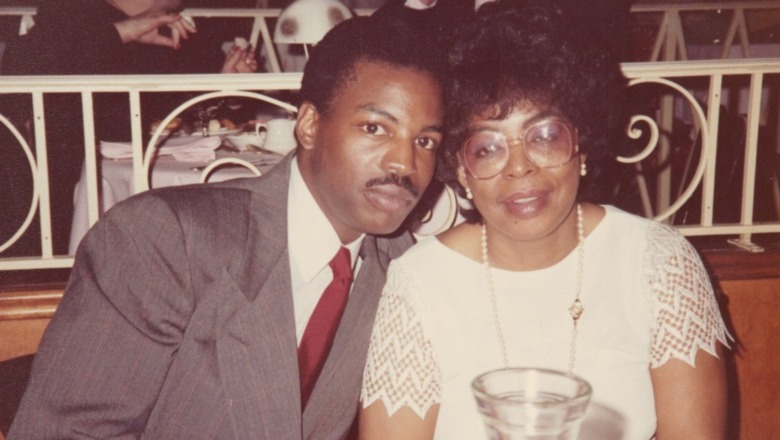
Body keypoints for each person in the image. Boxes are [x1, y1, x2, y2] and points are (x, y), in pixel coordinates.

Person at [8, 15, 445, 439]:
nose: (405, 163)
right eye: (375, 128)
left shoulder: (403, 271)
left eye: (425, 140)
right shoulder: (167, 241)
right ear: (309, 125)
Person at [359, 2, 731, 439]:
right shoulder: (420, 282)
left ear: (582, 144)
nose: (520, 167)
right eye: (487, 147)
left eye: (545, 136)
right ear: (460, 170)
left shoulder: (660, 264)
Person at [0, 0, 258, 256]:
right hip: (64, 189)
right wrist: (121, 32)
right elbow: (16, 77)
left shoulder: (174, 27)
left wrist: (228, 90)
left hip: (151, 179)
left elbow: (185, 111)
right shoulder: (69, 10)